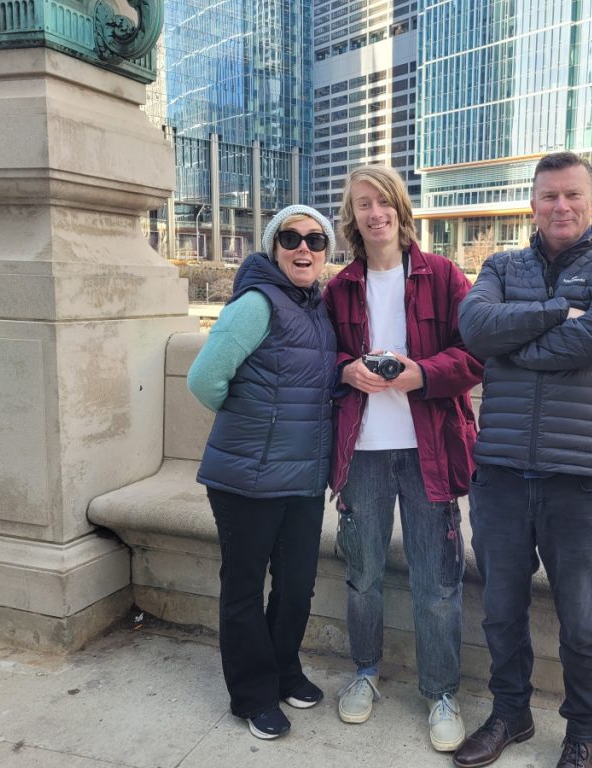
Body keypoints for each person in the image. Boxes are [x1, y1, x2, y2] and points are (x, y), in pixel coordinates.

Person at [454, 152, 592, 768]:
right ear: (531, 204)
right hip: (502, 475)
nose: (559, 207)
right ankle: (510, 714)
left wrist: (515, 349)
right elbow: (475, 329)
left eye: (571, 196)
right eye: (548, 197)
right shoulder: (501, 265)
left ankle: (583, 733)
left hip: (582, 478)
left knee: (583, 624)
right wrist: (559, 314)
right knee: (501, 612)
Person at [323, 165, 483, 753]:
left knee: (437, 581)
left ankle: (441, 693)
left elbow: (476, 355)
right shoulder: (339, 288)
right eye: (363, 204)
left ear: (399, 209)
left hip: (429, 452)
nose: (375, 213)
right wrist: (347, 369)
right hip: (361, 453)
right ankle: (365, 673)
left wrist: (422, 373)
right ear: (353, 217)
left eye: (383, 201)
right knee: (361, 575)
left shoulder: (442, 277)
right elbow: (325, 359)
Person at [187, 205, 337, 741]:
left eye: (316, 240)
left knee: (297, 585)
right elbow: (204, 379)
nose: (304, 248)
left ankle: (284, 670)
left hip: (300, 478)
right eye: (292, 238)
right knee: (245, 588)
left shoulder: (318, 308)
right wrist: (254, 419)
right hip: (245, 479)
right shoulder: (257, 303)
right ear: (274, 247)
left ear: (326, 252)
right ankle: (252, 693)